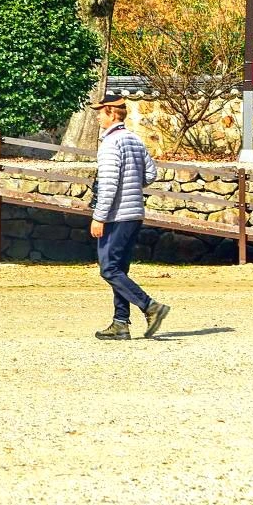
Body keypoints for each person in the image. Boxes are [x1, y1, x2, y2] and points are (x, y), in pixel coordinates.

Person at [89, 92, 170, 340]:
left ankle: (150, 306)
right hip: (134, 213)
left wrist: (99, 217)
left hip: (116, 216)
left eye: (100, 113)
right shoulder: (135, 139)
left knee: (109, 269)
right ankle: (120, 322)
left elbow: (108, 184)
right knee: (120, 270)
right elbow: (151, 174)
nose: (98, 118)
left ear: (112, 113)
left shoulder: (110, 143)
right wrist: (133, 185)